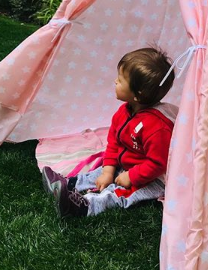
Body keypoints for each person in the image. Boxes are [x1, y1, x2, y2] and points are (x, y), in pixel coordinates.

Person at [41, 47, 178, 218]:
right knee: (100, 174)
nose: (115, 82)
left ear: (138, 94)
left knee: (120, 193)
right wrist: (108, 172)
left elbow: (158, 163)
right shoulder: (124, 112)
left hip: (152, 178)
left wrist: (132, 176)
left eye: (120, 80)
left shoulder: (157, 128)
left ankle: (83, 207)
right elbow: (114, 143)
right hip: (126, 165)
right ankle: (68, 184)